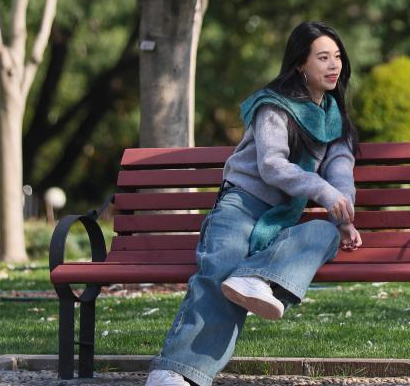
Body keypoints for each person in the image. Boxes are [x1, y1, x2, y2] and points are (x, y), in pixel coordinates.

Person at [146, 21, 362, 386]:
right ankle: (174, 371)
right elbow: (271, 164)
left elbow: (340, 172)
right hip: (242, 203)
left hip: (283, 219)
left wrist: (343, 214)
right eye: (323, 57)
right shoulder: (273, 105)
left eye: (337, 57)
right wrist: (323, 192)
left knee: (325, 234)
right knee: (220, 268)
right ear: (300, 65)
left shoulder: (336, 120)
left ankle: (254, 276)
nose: (333, 65)